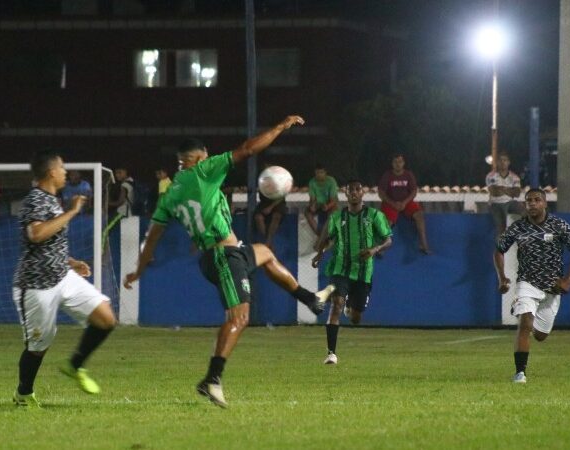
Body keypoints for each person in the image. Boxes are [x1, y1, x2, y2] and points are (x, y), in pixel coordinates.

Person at [123, 116, 335, 408]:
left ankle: (310, 299)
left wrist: (137, 270)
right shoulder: (203, 171)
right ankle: (212, 378)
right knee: (239, 318)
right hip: (224, 256)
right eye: (206, 156)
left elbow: (153, 236)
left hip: (220, 255)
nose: (211, 159)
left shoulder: (170, 193)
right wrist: (280, 127)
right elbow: (248, 149)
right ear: (198, 158)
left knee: (265, 253)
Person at [11, 150, 116, 408]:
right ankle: (24, 393)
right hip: (36, 286)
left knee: (106, 319)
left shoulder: (52, 199)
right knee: (38, 347)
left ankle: (75, 365)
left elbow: (48, 242)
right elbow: (36, 234)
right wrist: (72, 212)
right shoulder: (36, 199)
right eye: (62, 168)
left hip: (62, 276)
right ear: (51, 173)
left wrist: (71, 261)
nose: (65, 172)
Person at [493, 188, 570, 384]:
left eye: (536, 200)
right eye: (528, 201)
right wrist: (502, 277)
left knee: (541, 335)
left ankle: (523, 309)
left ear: (545, 203)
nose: (532, 204)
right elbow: (499, 250)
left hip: (552, 287)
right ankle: (520, 373)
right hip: (527, 282)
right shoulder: (518, 227)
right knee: (525, 324)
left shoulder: (558, 225)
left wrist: (568, 280)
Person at [311, 180, 392, 364]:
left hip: (363, 272)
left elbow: (388, 240)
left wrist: (374, 249)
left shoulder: (374, 215)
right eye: (350, 190)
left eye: (357, 189)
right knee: (336, 305)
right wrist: (319, 254)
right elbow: (327, 239)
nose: (354, 193)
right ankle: (331, 353)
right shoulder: (337, 217)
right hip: (340, 268)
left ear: (363, 193)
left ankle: (351, 307)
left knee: (356, 317)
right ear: (345, 194)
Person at [377, 153, 431, 254]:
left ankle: (424, 244)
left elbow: (414, 191)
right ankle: (383, 247)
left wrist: (404, 203)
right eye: (396, 162)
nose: (398, 164)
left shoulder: (408, 174)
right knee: (387, 221)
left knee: (419, 216)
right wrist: (393, 203)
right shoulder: (387, 175)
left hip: (406, 202)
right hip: (390, 202)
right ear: (392, 163)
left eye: (400, 162)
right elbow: (381, 193)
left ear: (404, 163)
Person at [486, 152, 524, 236]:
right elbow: (494, 192)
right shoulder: (491, 176)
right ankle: (500, 247)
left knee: (527, 213)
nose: (503, 162)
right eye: (501, 160)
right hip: (496, 203)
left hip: (511, 203)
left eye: (505, 160)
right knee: (501, 227)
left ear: (508, 162)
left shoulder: (514, 176)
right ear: (497, 162)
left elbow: (517, 193)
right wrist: (510, 190)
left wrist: (502, 189)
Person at [304, 166, 338, 236]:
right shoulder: (312, 182)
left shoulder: (331, 181)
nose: (319, 175)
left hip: (330, 204)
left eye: (321, 172)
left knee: (333, 214)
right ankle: (321, 236)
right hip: (318, 204)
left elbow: (334, 200)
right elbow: (312, 199)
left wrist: (327, 206)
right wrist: (312, 206)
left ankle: (325, 238)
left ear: (325, 173)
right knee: (307, 212)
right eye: (317, 173)